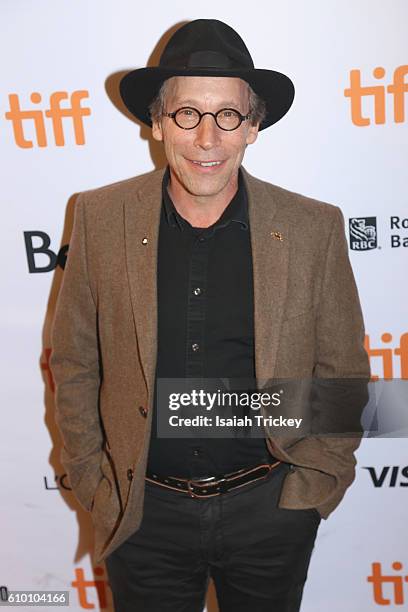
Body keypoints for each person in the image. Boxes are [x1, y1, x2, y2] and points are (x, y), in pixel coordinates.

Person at [50, 19, 370, 612]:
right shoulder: (99, 218)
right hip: (143, 516)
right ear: (157, 122)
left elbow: (344, 373)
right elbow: (74, 362)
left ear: (253, 128)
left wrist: (315, 488)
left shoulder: (311, 227)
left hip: (272, 511)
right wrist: (96, 482)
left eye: (228, 116)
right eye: (187, 114)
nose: (207, 138)